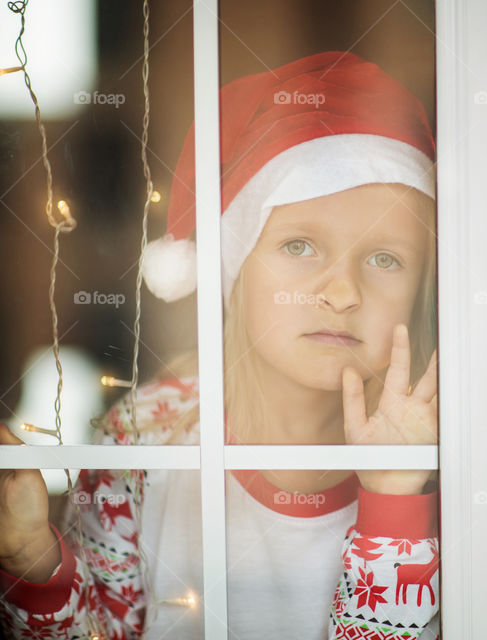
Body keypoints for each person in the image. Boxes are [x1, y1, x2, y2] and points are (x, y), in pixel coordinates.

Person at [0, 51, 440, 639]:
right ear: (235, 268)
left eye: (385, 258)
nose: (342, 292)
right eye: (300, 245)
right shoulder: (142, 439)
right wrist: (33, 560)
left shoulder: (449, 457)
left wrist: (392, 503)